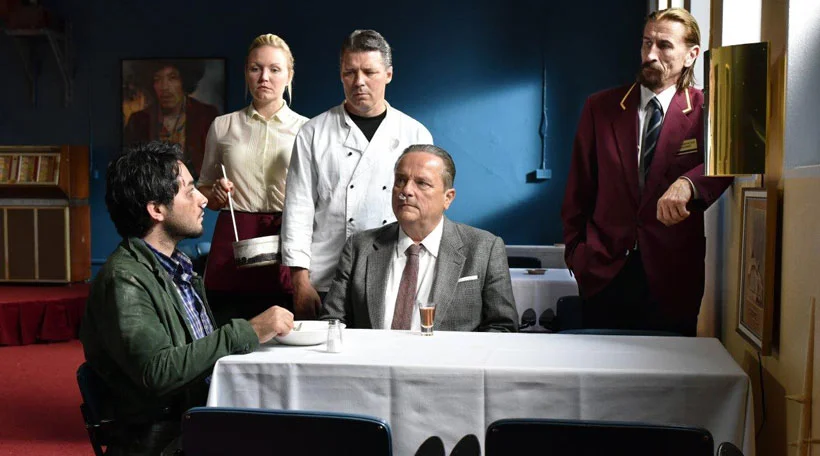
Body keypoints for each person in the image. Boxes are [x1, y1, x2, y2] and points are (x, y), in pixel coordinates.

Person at [80, 142, 294, 455]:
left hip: (197, 418)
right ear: (156, 209)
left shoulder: (177, 266)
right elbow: (157, 371)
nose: (203, 199)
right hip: (165, 440)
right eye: (190, 190)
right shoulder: (124, 278)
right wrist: (247, 331)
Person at [560, 8, 733, 337]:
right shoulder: (600, 108)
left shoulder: (706, 109)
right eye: (646, 43)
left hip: (673, 277)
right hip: (603, 272)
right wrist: (576, 254)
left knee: (669, 368)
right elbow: (578, 190)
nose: (651, 54)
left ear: (691, 55)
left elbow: (727, 162)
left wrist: (689, 183)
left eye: (664, 45)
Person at [282, 29, 433, 319]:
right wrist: (299, 280)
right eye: (350, 72)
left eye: (369, 72)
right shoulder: (313, 133)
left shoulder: (415, 134)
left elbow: (426, 214)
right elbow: (298, 210)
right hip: (324, 277)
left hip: (395, 275)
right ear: (341, 75)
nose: (359, 81)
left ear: (388, 74)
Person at [320, 145, 518, 332]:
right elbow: (332, 322)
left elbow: (502, 328)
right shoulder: (359, 247)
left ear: (448, 198)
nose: (406, 190)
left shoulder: (484, 248)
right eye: (400, 180)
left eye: (422, 183)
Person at [197, 34, 308, 324]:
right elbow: (204, 189)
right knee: (225, 330)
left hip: (285, 238)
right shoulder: (222, 126)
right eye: (255, 68)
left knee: (284, 331)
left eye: (275, 69)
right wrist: (215, 194)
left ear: (289, 75)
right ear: (246, 73)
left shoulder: (307, 130)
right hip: (233, 237)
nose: (264, 77)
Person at [123, 60, 219, 179]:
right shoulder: (138, 120)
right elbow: (131, 167)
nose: (164, 87)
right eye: (157, 79)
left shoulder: (206, 115)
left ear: (184, 81)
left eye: (172, 78)